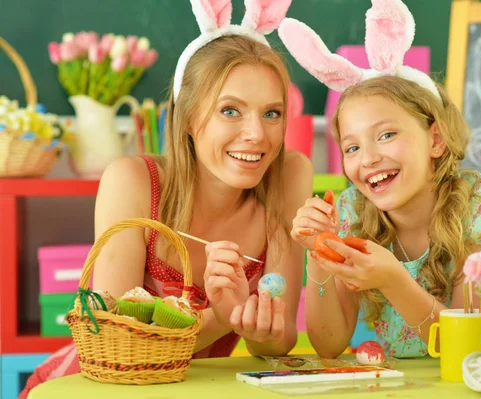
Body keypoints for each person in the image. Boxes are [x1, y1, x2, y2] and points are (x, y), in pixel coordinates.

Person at [21, 0, 312, 396]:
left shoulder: (288, 176)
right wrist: (223, 316)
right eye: (230, 111)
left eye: (272, 114)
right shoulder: (133, 181)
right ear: (189, 116)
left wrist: (251, 323)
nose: (257, 135)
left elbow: (277, 343)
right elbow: (122, 350)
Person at [279, 0, 481, 359]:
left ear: (435, 139)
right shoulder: (349, 212)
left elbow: (471, 348)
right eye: (352, 147)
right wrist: (319, 252)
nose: (369, 158)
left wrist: (392, 278)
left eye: (387, 135)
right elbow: (328, 345)